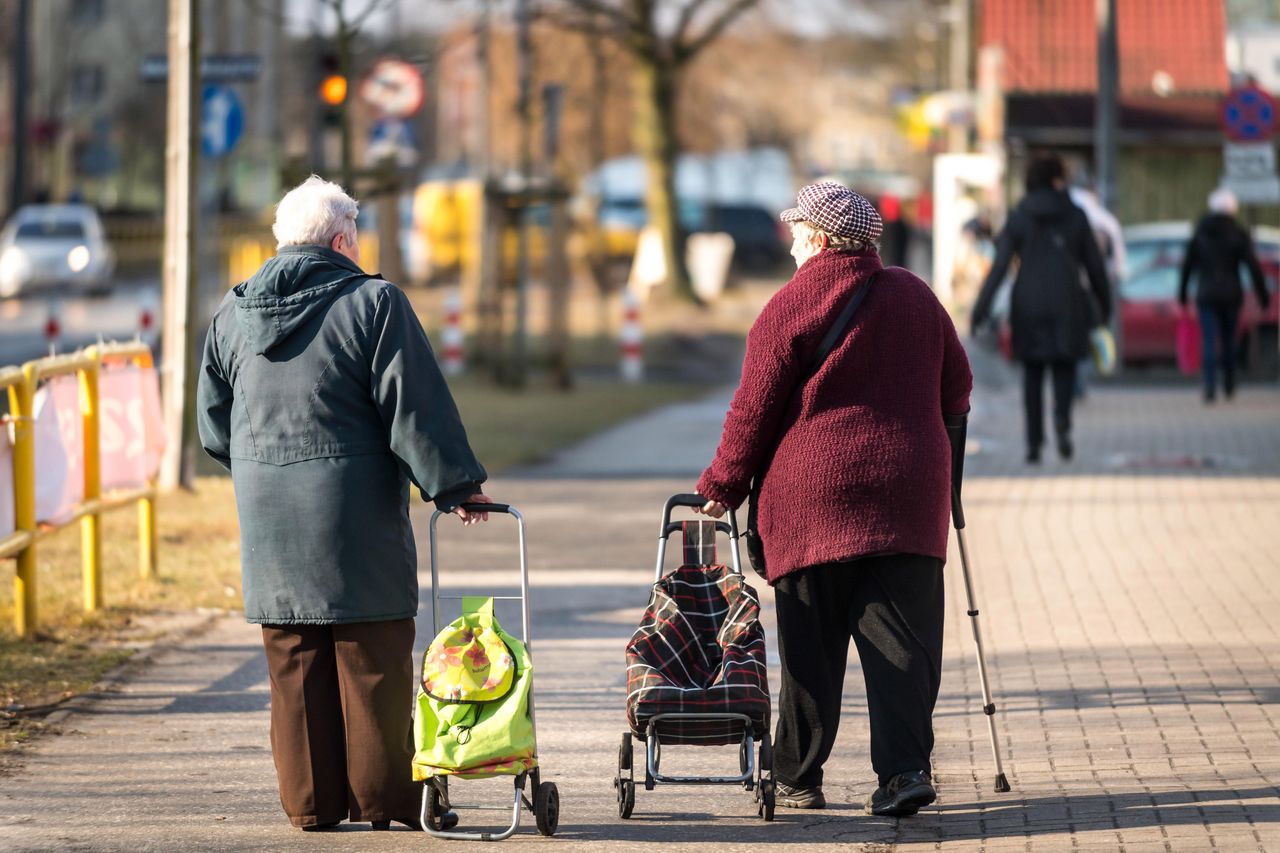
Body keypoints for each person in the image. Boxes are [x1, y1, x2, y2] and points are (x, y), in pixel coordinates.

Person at [197, 176, 491, 832]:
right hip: (355, 517)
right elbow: (413, 409)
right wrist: (456, 486)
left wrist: (260, 471)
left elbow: (214, 427)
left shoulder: (231, 311)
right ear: (340, 240)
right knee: (372, 656)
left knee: (294, 658)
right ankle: (385, 800)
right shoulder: (374, 303)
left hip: (269, 517)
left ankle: (311, 806)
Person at [694, 181, 973, 817]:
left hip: (812, 503)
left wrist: (722, 485)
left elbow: (754, 412)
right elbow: (958, 389)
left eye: (797, 231)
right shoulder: (918, 297)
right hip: (907, 498)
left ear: (819, 238)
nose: (791, 242)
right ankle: (904, 774)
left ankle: (797, 777)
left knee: (810, 652)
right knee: (904, 648)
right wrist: (944, 471)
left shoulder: (790, 304)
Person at [971, 154, 1111, 464]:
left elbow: (1000, 265)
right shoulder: (1075, 215)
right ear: (1057, 181)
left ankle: (1033, 444)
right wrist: (1105, 303)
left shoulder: (1020, 215)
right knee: (1064, 368)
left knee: (1032, 375)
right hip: (1067, 301)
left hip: (1028, 302)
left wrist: (980, 309)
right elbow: (1095, 265)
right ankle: (1062, 421)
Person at [1178, 187, 1270, 403]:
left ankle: (1210, 387)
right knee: (1229, 341)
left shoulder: (1201, 232)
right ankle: (1229, 383)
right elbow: (1253, 266)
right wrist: (1262, 295)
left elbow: (1188, 266)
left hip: (1207, 294)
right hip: (1231, 295)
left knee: (1209, 341)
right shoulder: (1237, 233)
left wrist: (1182, 294)